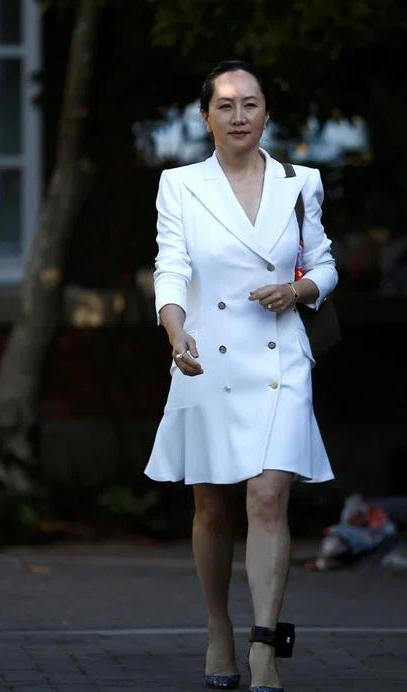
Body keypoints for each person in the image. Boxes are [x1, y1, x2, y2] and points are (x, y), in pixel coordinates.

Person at [143, 59, 337, 692]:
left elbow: (326, 266)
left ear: (265, 114)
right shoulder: (180, 185)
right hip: (205, 356)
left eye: (249, 104)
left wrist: (299, 288)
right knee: (211, 506)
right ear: (206, 118)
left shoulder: (299, 181)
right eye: (224, 105)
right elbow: (170, 269)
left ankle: (263, 647)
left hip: (281, 357)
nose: (238, 116)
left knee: (269, 496)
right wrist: (176, 332)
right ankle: (218, 628)